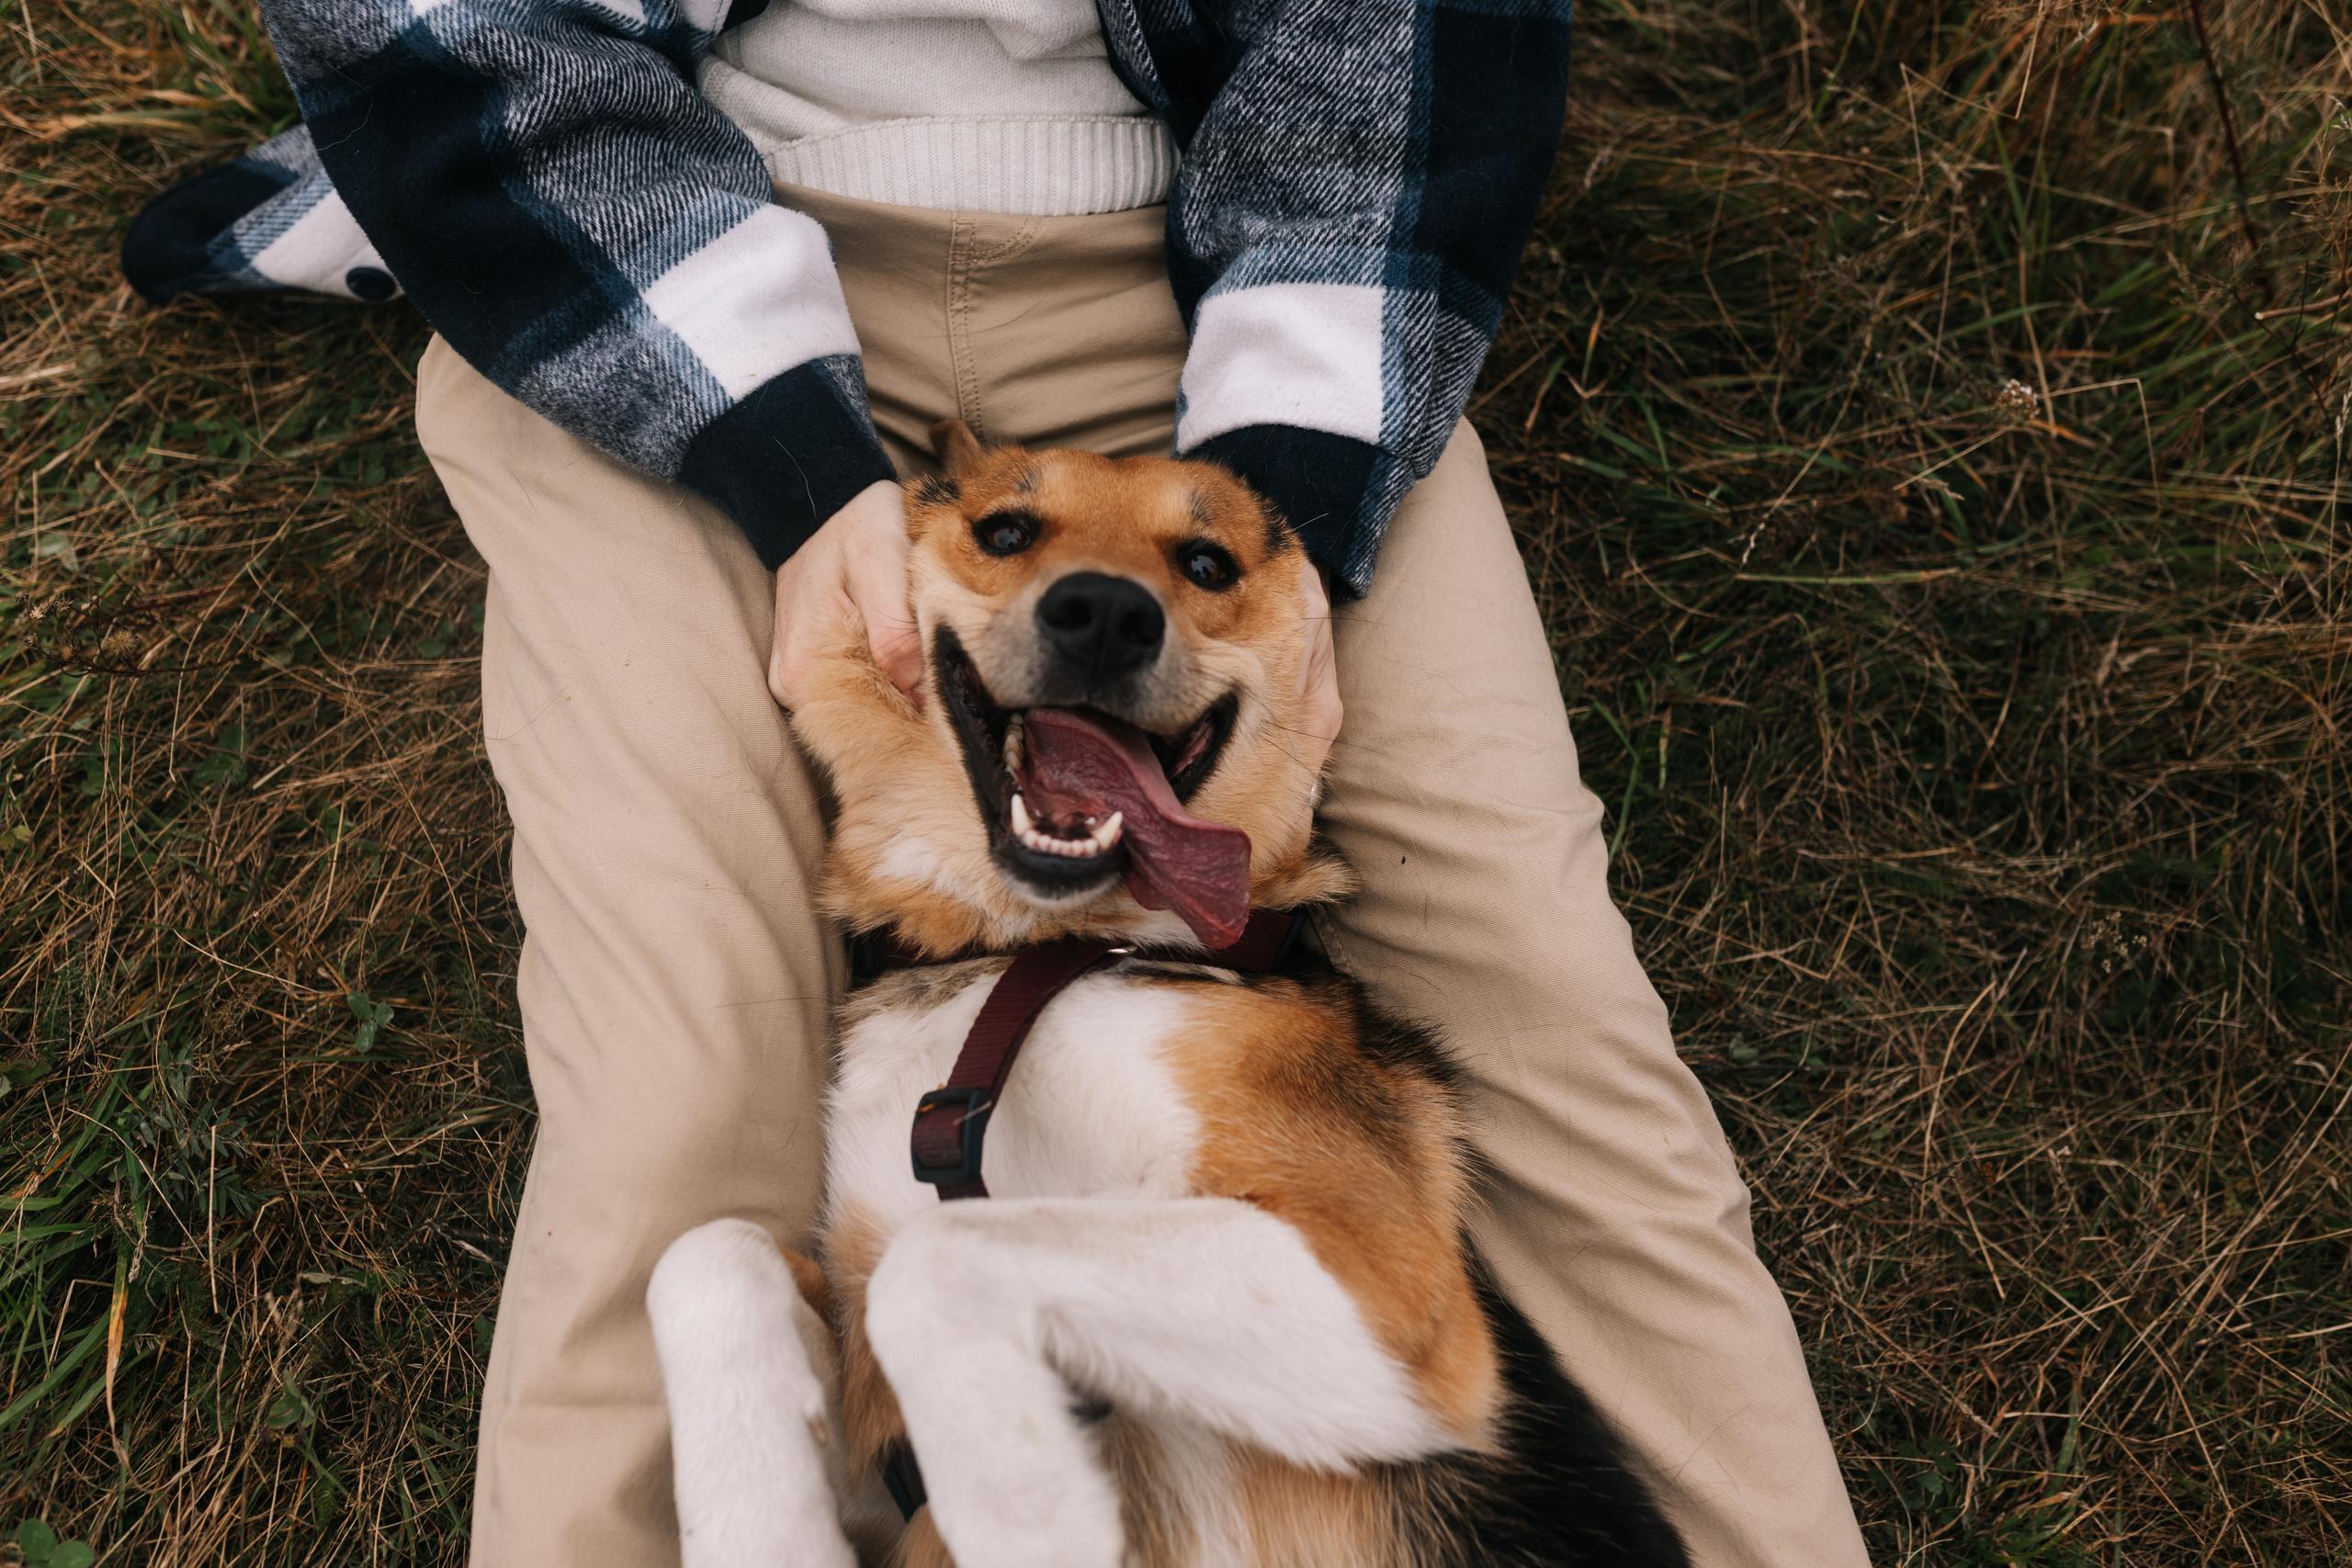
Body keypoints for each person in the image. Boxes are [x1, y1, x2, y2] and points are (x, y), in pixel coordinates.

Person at [125, 0, 1871, 1562]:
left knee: (1548, 1017)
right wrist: (784, 461)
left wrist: (1271, 516)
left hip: (1231, 255)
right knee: (680, 1093)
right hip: (647, 231)